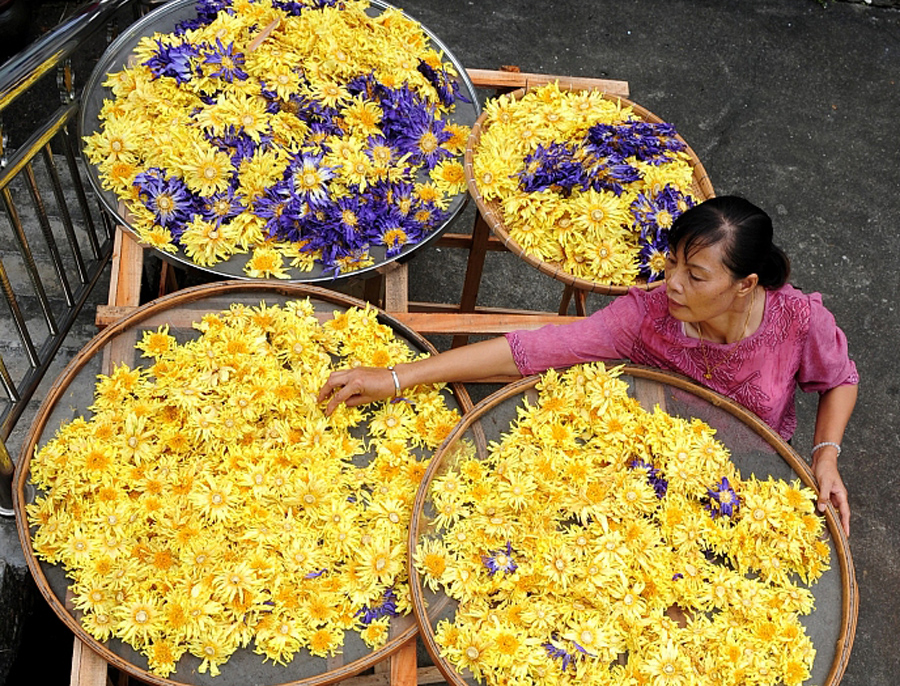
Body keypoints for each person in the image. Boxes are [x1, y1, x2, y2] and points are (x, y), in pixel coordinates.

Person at [318, 196, 857, 534]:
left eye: (695, 276)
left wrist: (825, 456)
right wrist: (396, 377)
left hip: (758, 474)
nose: (672, 283)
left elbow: (839, 380)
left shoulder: (798, 321)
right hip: (649, 473)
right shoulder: (646, 317)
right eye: (672, 262)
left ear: (745, 285)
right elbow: (528, 351)